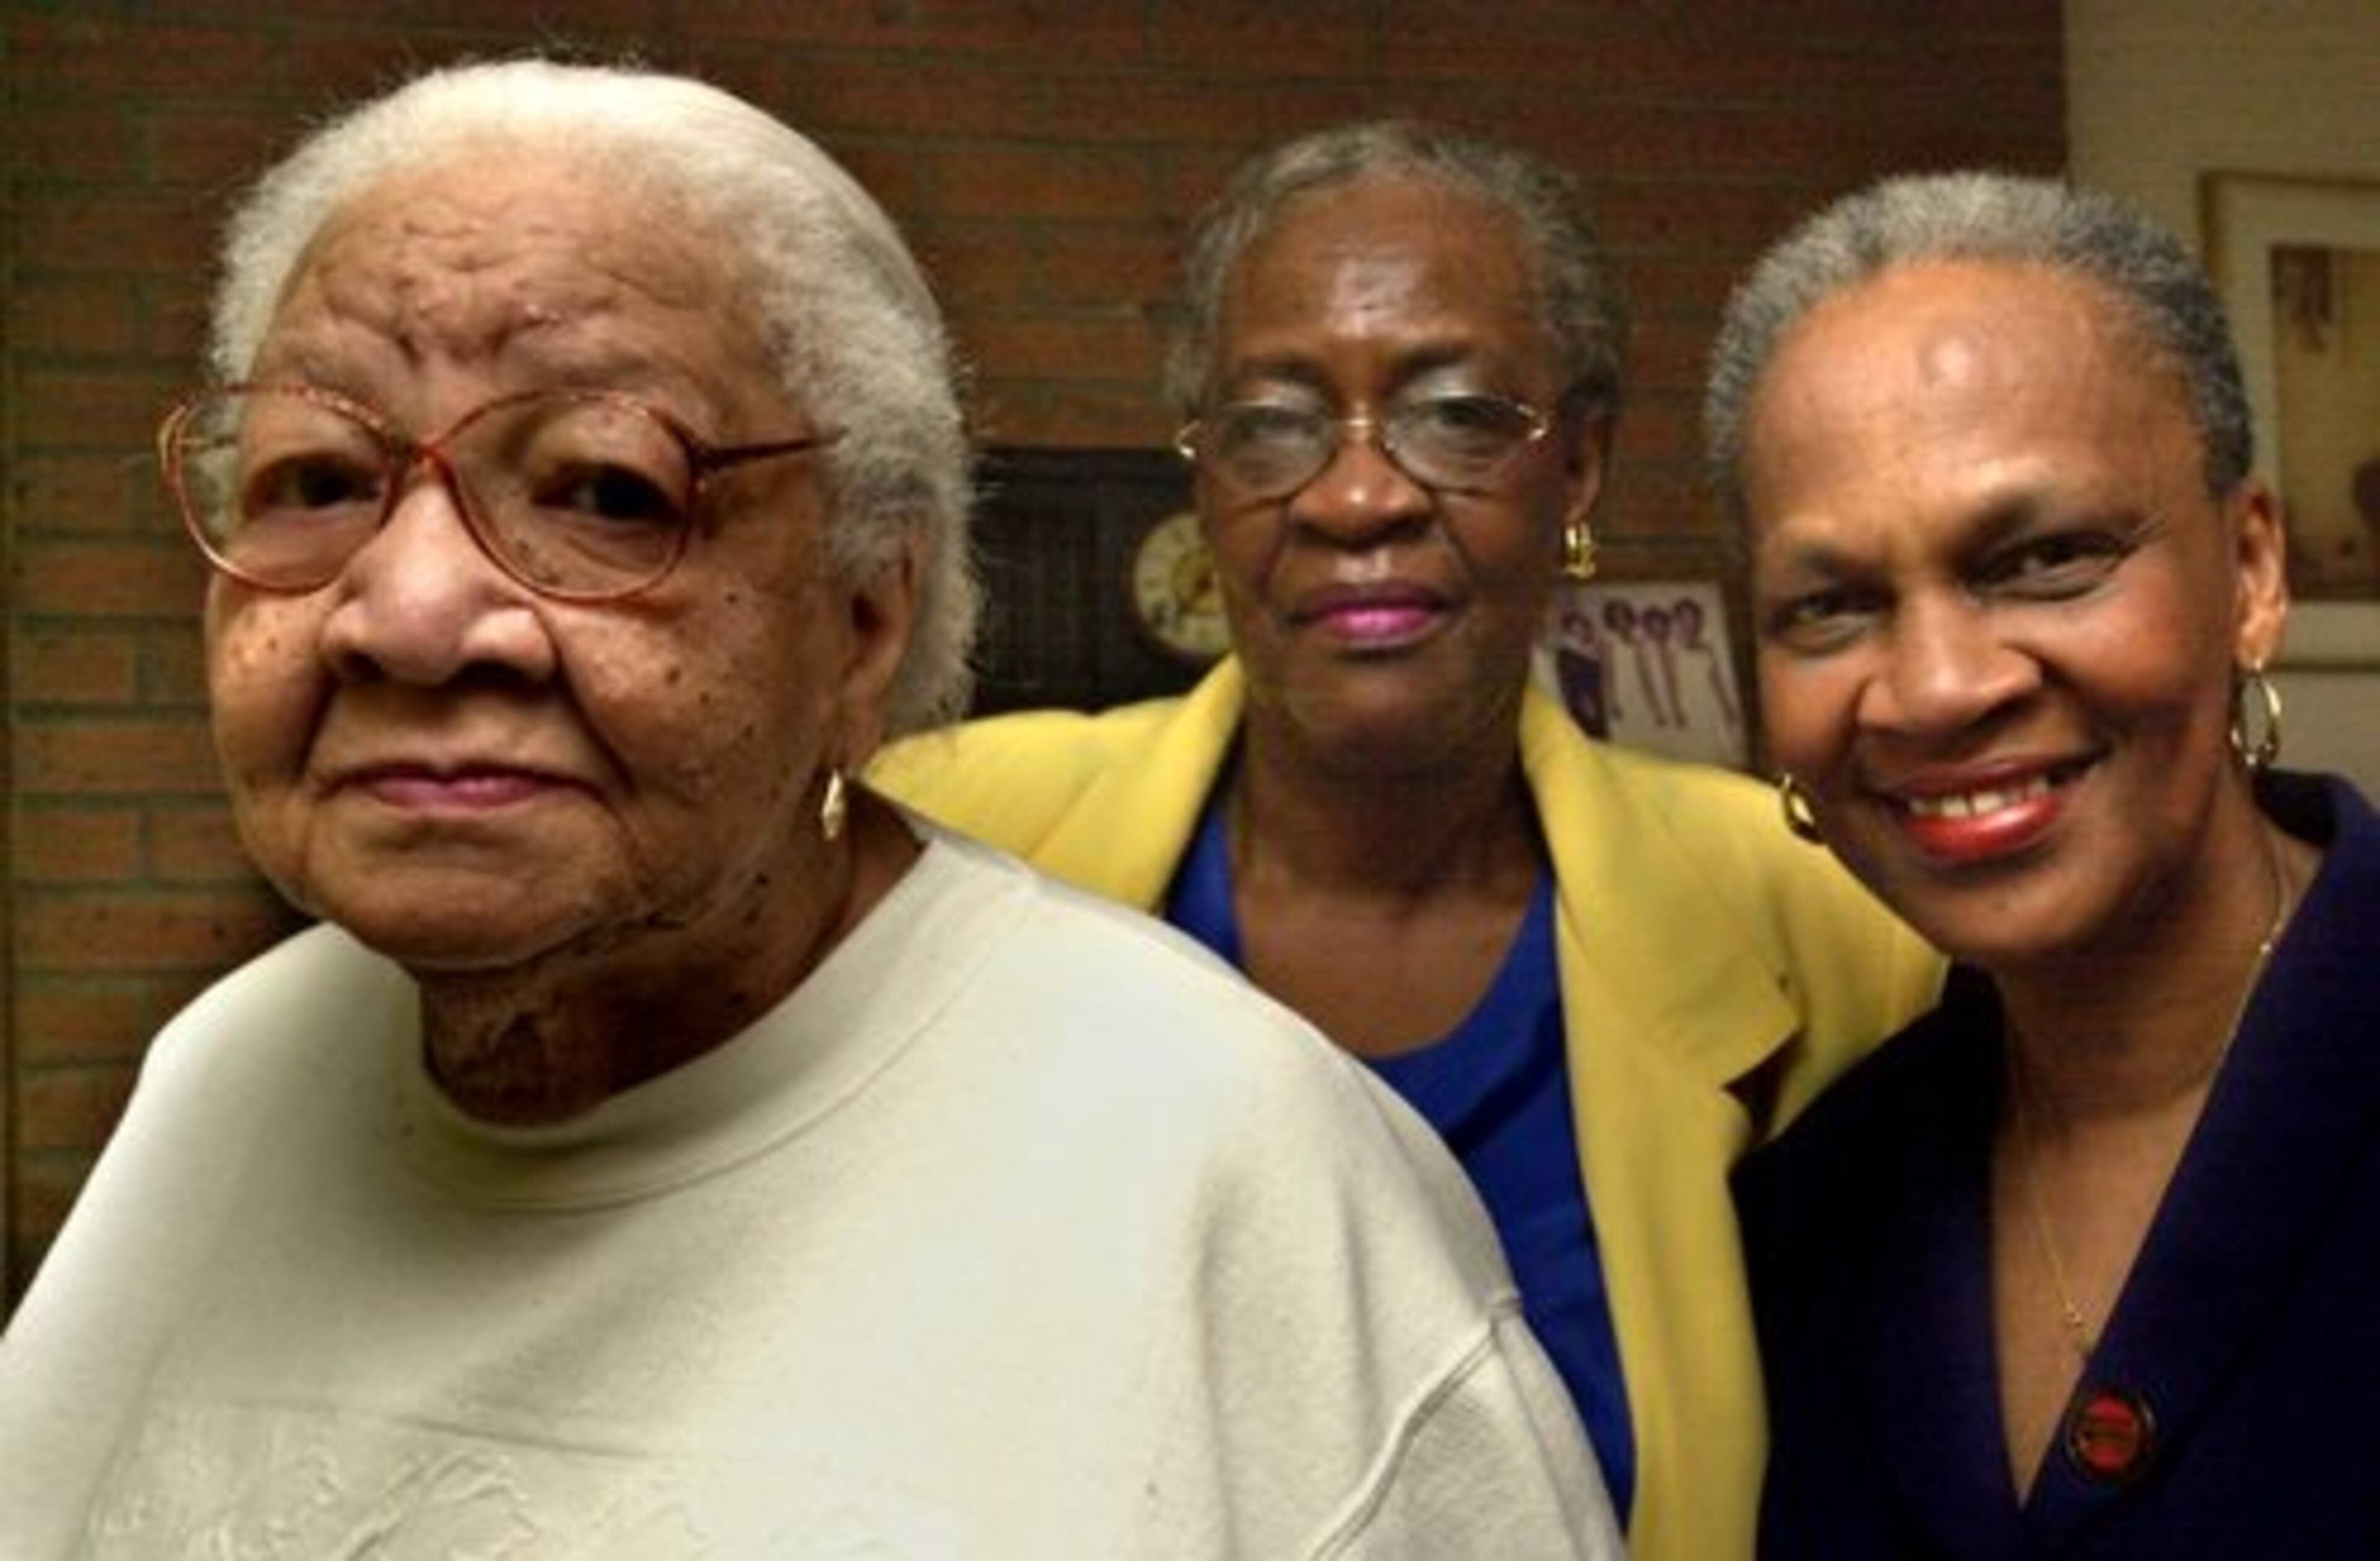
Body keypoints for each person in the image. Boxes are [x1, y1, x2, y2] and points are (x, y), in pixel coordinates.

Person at [0, 61, 1628, 1557]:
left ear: (864, 622)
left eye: (604, 490)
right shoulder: (221, 1076)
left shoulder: (1235, 1178)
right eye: (317, 480)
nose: (405, 611)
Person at [871, 119, 1943, 1559]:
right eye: (1273, 421)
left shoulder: (1815, 909)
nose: (1358, 495)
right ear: (1206, 479)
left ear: (1578, 473)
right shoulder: (943, 840)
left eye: (1454, 414)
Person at [1711, 172, 2380, 1555]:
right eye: (1829, 606)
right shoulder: (1820, 1211)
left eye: (2044, 560)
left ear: (2250, 571)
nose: (1938, 689)